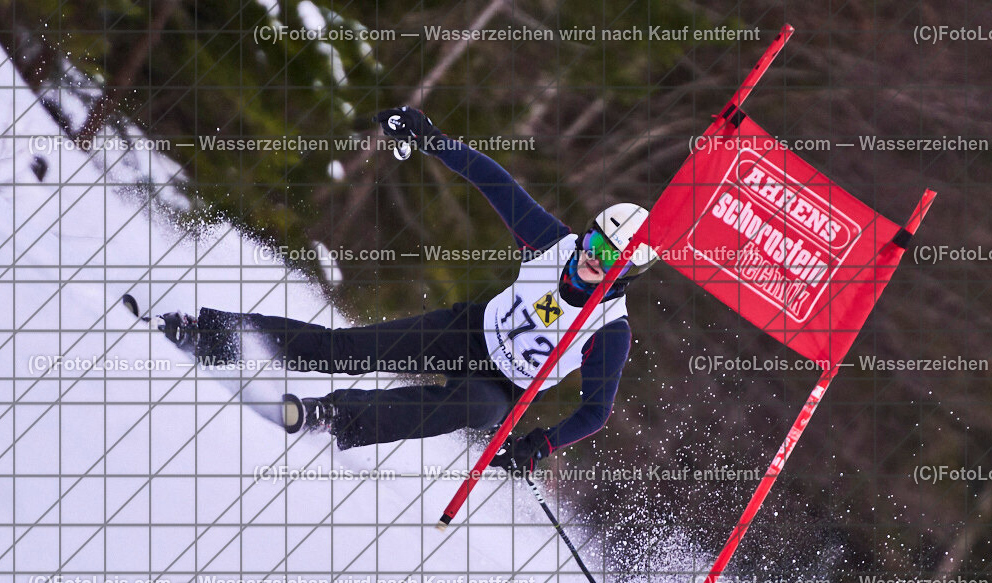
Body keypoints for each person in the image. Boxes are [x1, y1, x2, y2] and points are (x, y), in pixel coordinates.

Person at [158, 107, 658, 474]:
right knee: (347, 349)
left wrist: (537, 445)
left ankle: (334, 415)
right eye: (596, 242)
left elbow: (596, 412)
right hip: (468, 331)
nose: (595, 258)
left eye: (612, 258)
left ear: (624, 275)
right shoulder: (551, 243)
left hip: (503, 388)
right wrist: (429, 137)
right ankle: (211, 333)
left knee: (472, 408)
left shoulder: (609, 330)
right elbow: (493, 181)